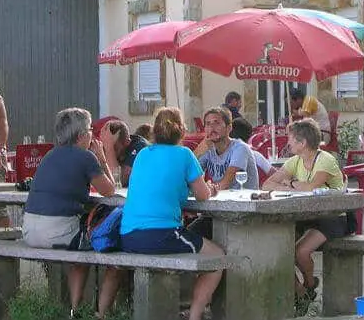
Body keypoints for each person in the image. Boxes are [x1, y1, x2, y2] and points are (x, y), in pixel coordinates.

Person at [121, 107, 225, 320]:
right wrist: (211, 189)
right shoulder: (184, 154)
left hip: (128, 235)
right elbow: (203, 195)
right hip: (159, 234)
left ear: (154, 131)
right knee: (217, 257)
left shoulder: (142, 154)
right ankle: (195, 315)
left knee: (190, 245)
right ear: (182, 131)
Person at [22, 108, 120, 318]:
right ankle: (85, 310)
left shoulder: (49, 155)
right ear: (82, 135)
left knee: (79, 242)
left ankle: (75, 310)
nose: (92, 134)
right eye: (90, 130)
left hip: (29, 231)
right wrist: (102, 157)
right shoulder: (85, 157)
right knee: (93, 247)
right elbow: (110, 190)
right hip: (56, 232)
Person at [261, 119, 351, 315]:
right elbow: (266, 185)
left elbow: (312, 188)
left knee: (299, 252)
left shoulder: (325, 159)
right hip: (305, 216)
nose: (288, 144)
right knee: (278, 253)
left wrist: (290, 183)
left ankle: (309, 286)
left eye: (291, 140)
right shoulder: (295, 161)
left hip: (333, 216)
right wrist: (292, 184)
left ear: (302, 143)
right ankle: (301, 292)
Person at [189, 108, 259, 239]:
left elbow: (226, 182)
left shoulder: (239, 148)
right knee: (189, 236)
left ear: (229, 128)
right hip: (217, 212)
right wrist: (198, 151)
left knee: (194, 237)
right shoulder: (208, 150)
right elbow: (188, 176)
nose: (211, 128)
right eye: (208, 124)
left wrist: (207, 189)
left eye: (216, 123)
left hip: (240, 213)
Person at [100, 120, 150, 188]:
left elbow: (118, 181)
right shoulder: (105, 145)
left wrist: (109, 149)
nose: (110, 151)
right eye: (106, 144)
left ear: (127, 142)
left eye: (115, 148)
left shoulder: (140, 147)